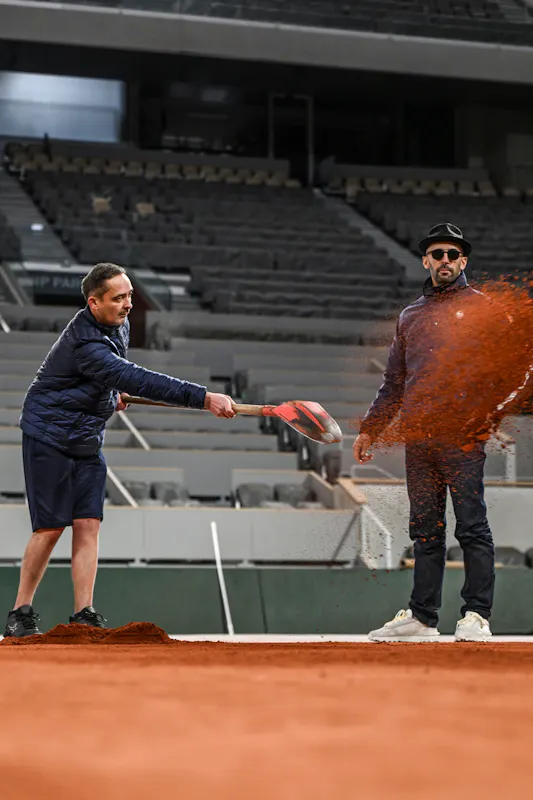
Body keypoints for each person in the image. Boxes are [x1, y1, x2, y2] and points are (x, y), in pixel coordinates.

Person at [4, 263, 236, 638]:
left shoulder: (118, 324)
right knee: (50, 528)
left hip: (87, 437)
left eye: (130, 296)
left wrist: (111, 393)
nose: (128, 304)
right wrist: (204, 398)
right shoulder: (85, 343)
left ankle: (84, 613)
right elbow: (131, 375)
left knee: (88, 523)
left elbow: (108, 376)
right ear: (94, 303)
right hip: (49, 435)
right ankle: (20, 612)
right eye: (118, 298)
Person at [353, 223, 495, 643]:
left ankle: (477, 615)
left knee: (471, 527)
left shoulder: (484, 308)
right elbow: (394, 382)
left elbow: (507, 369)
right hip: (419, 439)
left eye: (452, 254)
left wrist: (490, 415)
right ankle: (422, 617)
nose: (445, 260)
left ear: (463, 261)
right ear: (426, 261)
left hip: (462, 437)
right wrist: (370, 430)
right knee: (425, 530)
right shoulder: (410, 316)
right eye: (437, 254)